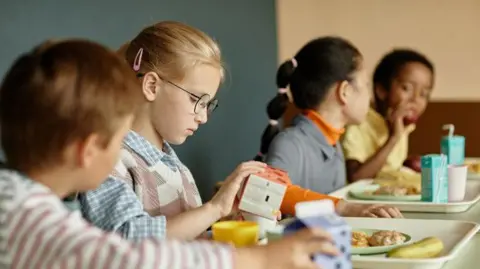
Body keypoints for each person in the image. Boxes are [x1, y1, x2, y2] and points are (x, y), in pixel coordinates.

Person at [0, 39, 339, 269]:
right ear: (88, 151)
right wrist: (258, 260)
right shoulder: (17, 211)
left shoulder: (29, 201)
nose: (125, 145)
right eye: (119, 139)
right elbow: (128, 258)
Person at [79, 21, 265, 241]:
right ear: (152, 86)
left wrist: (223, 222)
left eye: (208, 105)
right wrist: (213, 208)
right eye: (196, 99)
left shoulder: (176, 167)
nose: (203, 117)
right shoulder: (109, 161)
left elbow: (183, 243)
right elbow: (128, 242)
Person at [257, 36, 402, 218]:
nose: (368, 95)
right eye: (365, 84)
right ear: (345, 92)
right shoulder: (290, 142)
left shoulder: (334, 144)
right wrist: (343, 207)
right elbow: (271, 192)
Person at [342, 49, 434, 182]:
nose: (415, 99)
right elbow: (356, 177)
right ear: (382, 90)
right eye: (406, 88)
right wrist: (394, 138)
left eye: (423, 94)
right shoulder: (359, 125)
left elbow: (387, 169)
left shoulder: (401, 125)